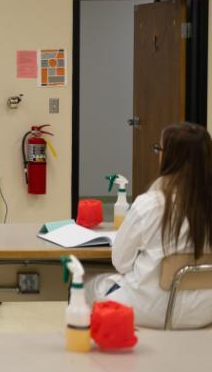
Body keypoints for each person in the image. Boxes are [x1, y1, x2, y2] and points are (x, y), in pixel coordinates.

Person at [86, 122, 212, 329]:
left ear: (171, 158)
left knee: (85, 285)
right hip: (203, 313)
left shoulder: (151, 205)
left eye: (159, 149)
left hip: (149, 310)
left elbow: (121, 262)